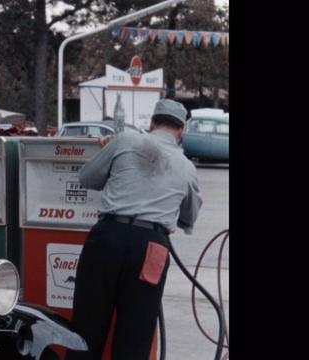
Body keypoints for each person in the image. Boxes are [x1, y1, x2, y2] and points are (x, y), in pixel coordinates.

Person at [66, 99, 203, 360]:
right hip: (152, 247)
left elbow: (87, 178)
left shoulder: (124, 141)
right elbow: (189, 219)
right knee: (136, 336)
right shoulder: (187, 167)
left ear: (151, 123)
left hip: (107, 235)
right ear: (182, 130)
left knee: (86, 328)